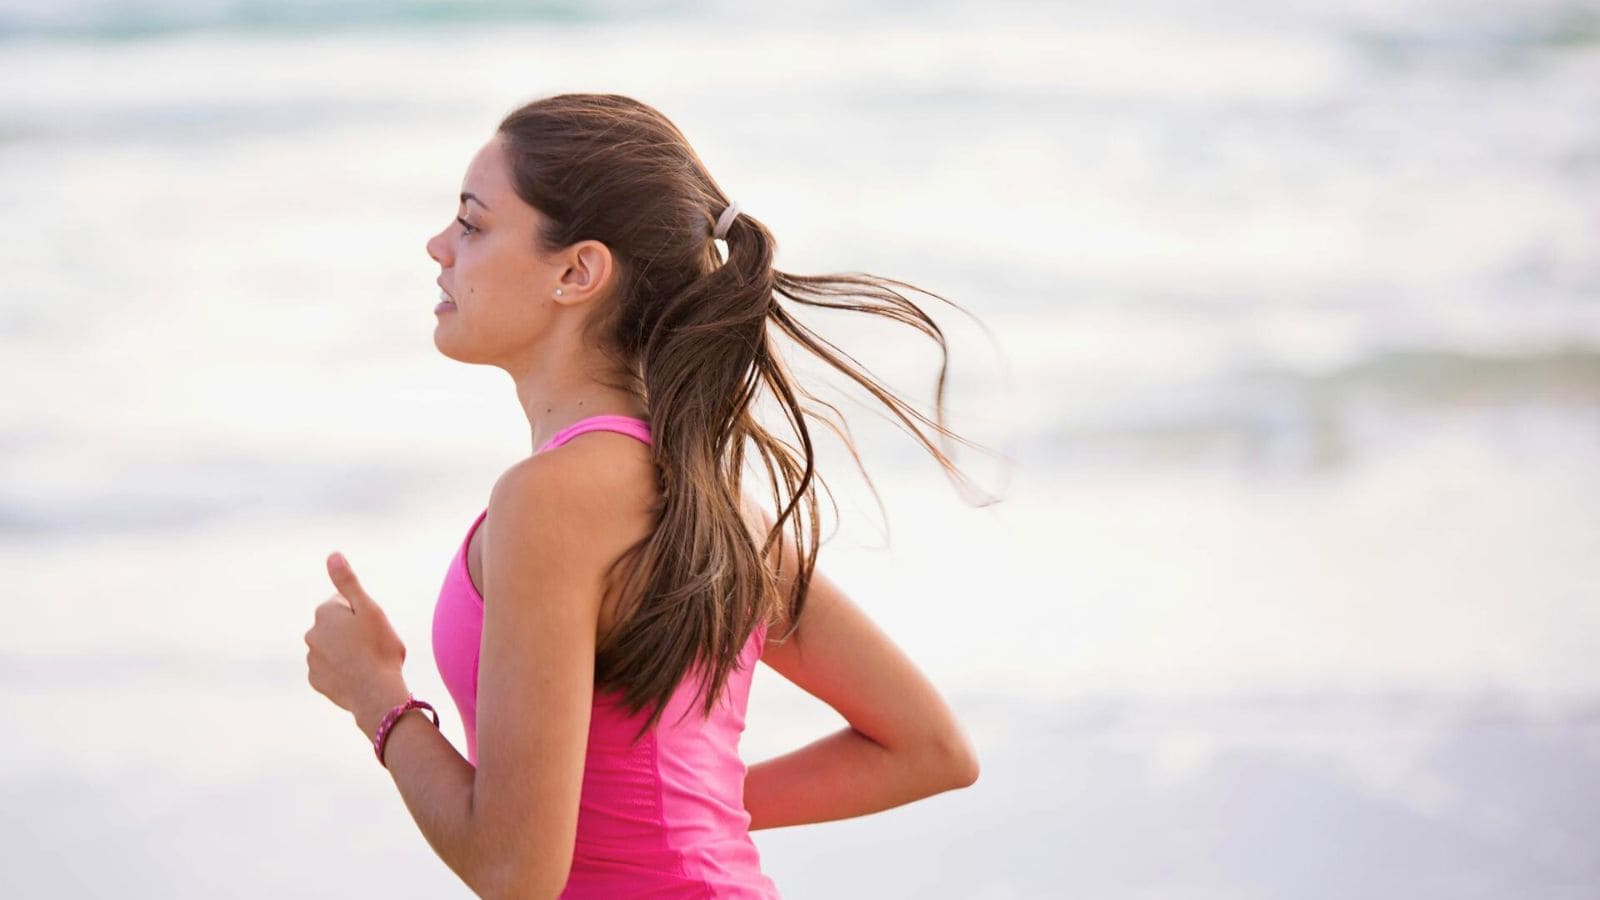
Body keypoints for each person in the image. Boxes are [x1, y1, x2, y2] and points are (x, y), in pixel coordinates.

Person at [305, 91, 1000, 899]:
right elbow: (927, 747)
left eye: (472, 223)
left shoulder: (549, 500)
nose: (438, 246)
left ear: (577, 272)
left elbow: (514, 873)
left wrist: (378, 700)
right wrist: (682, 817)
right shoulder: (706, 498)